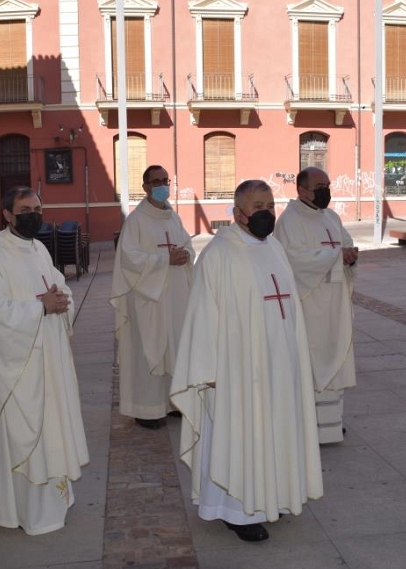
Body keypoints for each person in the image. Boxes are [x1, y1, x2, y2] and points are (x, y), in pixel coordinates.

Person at [170, 180, 323, 543]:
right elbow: (203, 314)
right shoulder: (220, 254)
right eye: (257, 206)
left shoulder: (275, 248)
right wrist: (208, 371)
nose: (265, 212)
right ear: (238, 212)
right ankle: (236, 509)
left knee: (274, 427)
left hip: (278, 366)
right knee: (241, 433)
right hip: (236, 372)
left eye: (270, 204)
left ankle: (275, 495)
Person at [0, 186, 89, 536]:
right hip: (18, 369)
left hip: (50, 359)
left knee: (52, 427)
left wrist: (62, 302)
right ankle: (25, 510)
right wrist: (40, 308)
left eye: (37, 207)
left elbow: (61, 288)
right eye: (25, 209)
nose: (33, 214)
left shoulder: (38, 251)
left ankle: (55, 501)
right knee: (25, 435)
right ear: (7, 214)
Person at [275, 167, 358, 444]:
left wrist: (349, 255)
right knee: (312, 361)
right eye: (320, 185)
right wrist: (336, 256)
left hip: (335, 302)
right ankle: (310, 427)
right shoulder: (289, 221)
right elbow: (292, 260)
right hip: (310, 304)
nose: (326, 189)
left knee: (335, 356)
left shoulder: (331, 217)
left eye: (328, 184)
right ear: (302, 190)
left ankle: (331, 425)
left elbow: (345, 243)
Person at [110, 165, 195, 430]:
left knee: (176, 345)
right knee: (149, 349)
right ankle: (146, 410)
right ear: (145, 187)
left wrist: (184, 256)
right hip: (148, 299)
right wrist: (163, 260)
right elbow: (128, 259)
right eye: (156, 181)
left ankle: (172, 403)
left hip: (175, 294)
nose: (162, 186)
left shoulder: (173, 217)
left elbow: (188, 245)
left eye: (165, 181)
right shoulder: (136, 221)